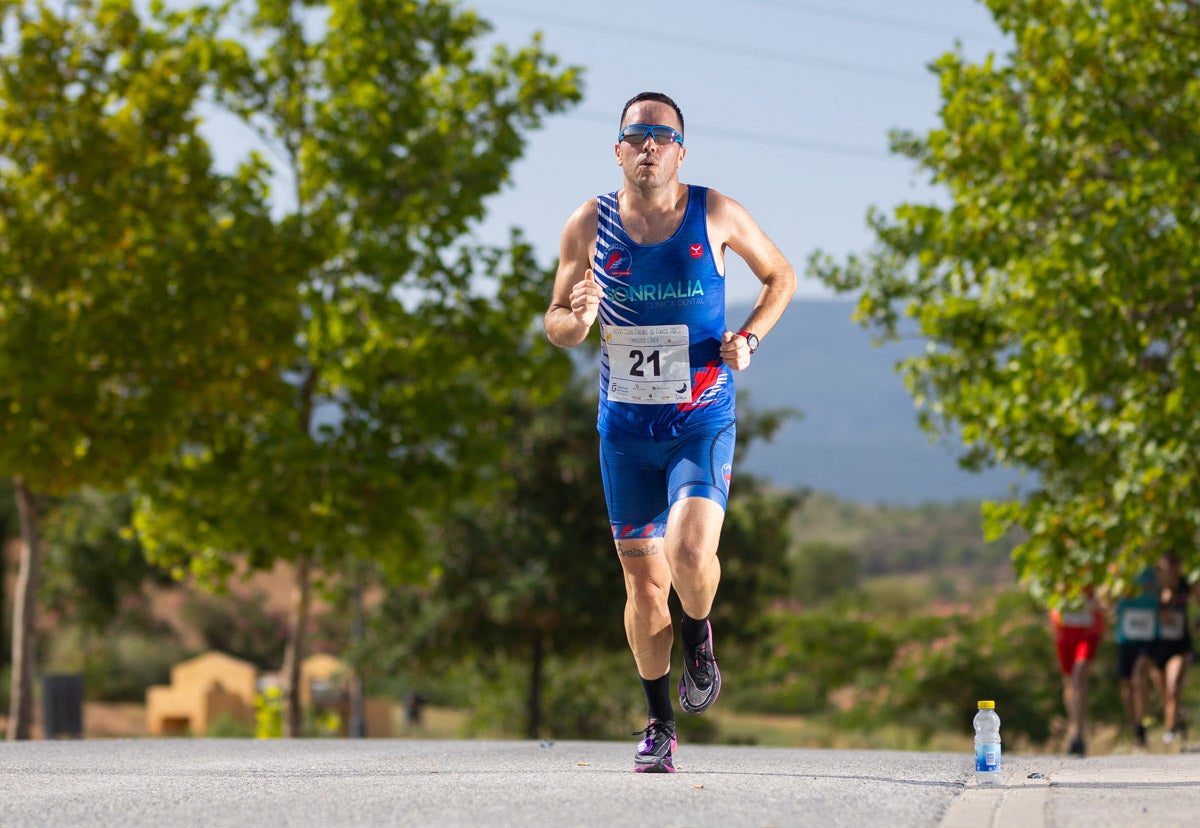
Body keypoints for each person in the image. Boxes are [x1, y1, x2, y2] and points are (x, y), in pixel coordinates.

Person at [544, 91, 795, 773]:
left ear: (681, 150)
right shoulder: (586, 225)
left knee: (688, 557)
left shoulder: (715, 211)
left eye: (662, 135)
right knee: (642, 588)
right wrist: (578, 315)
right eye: (636, 135)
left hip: (699, 421)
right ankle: (658, 723)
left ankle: (699, 633)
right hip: (624, 430)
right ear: (618, 149)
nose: (648, 145)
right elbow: (556, 324)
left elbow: (780, 276)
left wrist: (750, 337)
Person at [1049, 587, 1105, 756]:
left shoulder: (1094, 569)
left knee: (1079, 677)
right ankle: (1075, 727)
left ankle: (1078, 734)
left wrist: (1098, 604)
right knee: (1070, 682)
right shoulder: (1057, 572)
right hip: (1065, 634)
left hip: (1087, 634)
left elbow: (1105, 600)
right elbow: (1049, 600)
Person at [1113, 566, 1160, 748]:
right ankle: (1135, 728)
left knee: (1139, 676)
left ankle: (1142, 727)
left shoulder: (1155, 569)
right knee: (1126, 685)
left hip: (1149, 635)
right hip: (1125, 636)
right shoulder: (1118, 568)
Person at [1152, 551, 1194, 746]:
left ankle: (1170, 731)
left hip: (1180, 645)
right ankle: (1177, 716)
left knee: (1173, 686)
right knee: (1165, 692)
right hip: (1158, 645)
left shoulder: (1186, 586)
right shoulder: (1154, 590)